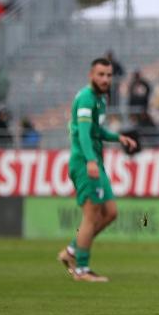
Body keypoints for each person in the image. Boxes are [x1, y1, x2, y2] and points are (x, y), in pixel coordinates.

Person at [57, 58, 137, 282]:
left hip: (95, 162)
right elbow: (83, 133)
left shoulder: (100, 99)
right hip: (84, 162)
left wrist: (118, 137)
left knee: (110, 213)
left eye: (109, 75)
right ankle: (82, 269)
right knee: (91, 216)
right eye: (101, 75)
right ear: (91, 75)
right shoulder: (86, 98)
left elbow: (95, 130)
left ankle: (71, 250)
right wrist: (91, 161)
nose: (105, 79)